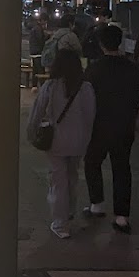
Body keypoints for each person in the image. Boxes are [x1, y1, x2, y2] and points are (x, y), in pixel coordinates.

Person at [27, 48, 96, 240]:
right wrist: (86, 139)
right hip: (78, 141)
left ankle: (60, 223)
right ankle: (70, 211)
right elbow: (90, 116)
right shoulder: (86, 88)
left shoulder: (51, 86)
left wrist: (31, 132)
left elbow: (37, 112)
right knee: (72, 177)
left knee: (58, 181)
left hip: (56, 141)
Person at [84, 23, 139, 234]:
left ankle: (97, 204)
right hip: (124, 126)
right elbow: (136, 99)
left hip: (98, 126)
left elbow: (87, 99)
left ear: (101, 44)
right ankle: (122, 217)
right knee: (122, 168)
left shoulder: (94, 69)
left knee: (92, 162)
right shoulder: (131, 68)